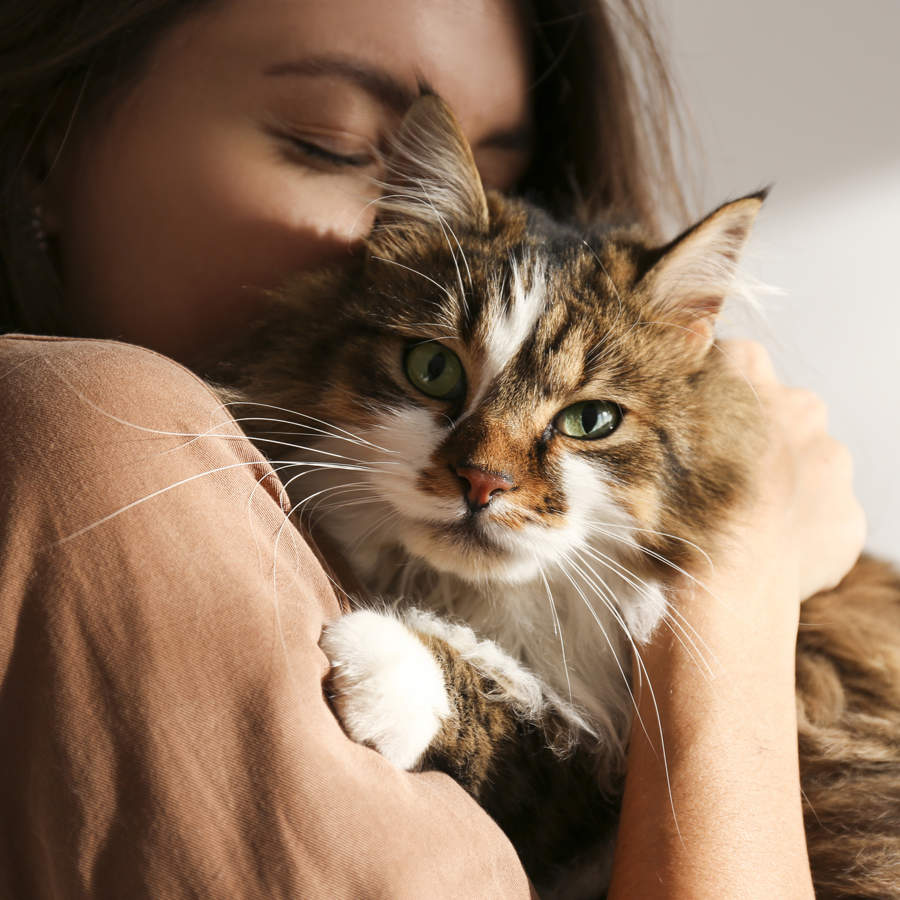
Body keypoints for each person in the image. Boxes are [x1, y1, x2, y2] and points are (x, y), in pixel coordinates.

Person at [0, 0, 865, 896]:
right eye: (337, 144)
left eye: (501, 176)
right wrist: (739, 602)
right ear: (42, 147)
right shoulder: (91, 429)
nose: (411, 236)